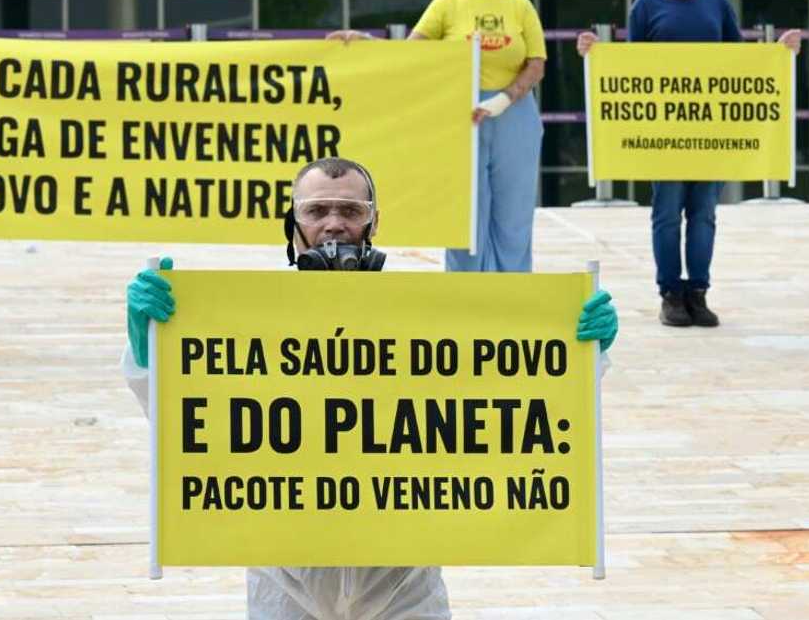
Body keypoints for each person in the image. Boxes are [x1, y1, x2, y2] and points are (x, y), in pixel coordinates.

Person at [122, 156, 619, 620]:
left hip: (404, 585)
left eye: (350, 211)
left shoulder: (422, 315)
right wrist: (152, 349)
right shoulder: (240, 318)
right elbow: (186, 414)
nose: (333, 224)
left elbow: (518, 399)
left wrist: (582, 353)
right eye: (316, 210)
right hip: (286, 581)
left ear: (374, 223)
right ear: (291, 223)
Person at [577, 0, 801, 327]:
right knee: (666, 214)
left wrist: (780, 52)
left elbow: (741, 66)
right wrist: (596, 53)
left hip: (709, 137)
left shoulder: (717, 5)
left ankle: (698, 292)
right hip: (664, 138)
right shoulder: (645, 7)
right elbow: (630, 73)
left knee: (704, 215)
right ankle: (670, 294)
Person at [329, 0, 547, 274]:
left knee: (514, 212)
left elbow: (536, 63)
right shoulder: (448, 4)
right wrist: (366, 42)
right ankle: (463, 289)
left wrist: (505, 99)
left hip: (514, 114)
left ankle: (513, 287)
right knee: (464, 211)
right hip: (461, 115)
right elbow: (411, 54)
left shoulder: (520, 7)